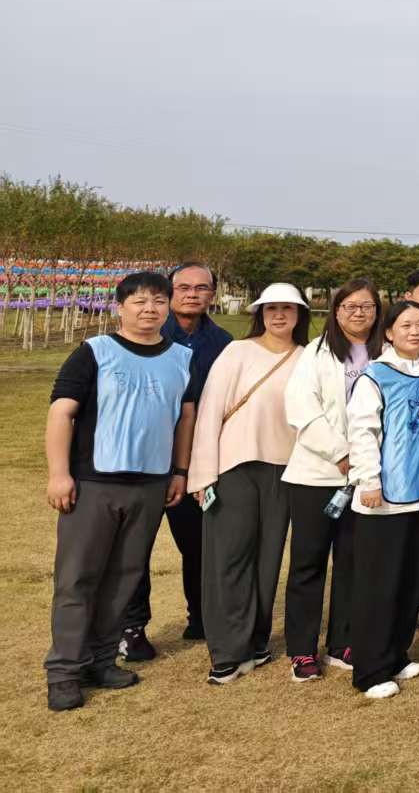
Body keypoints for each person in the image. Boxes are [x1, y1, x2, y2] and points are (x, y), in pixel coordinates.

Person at [43, 271, 194, 713]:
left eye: (158, 301)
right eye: (139, 301)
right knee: (78, 579)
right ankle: (65, 671)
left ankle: (103, 660)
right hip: (94, 482)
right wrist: (59, 474)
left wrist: (179, 471)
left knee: (125, 576)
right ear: (120, 307)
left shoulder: (182, 358)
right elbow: (61, 413)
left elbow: (185, 418)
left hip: (150, 484)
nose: (150, 309)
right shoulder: (94, 352)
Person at [187, 281, 307, 685]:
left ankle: (255, 641)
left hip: (286, 469)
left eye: (287, 308)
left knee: (268, 559)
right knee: (228, 558)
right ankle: (226, 650)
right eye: (271, 308)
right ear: (260, 314)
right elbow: (210, 412)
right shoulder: (237, 352)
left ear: (299, 315)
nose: (279, 315)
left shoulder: (308, 358)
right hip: (234, 466)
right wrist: (203, 473)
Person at [346, 300, 419, 700]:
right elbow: (362, 432)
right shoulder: (375, 376)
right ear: (389, 332)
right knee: (380, 585)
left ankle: (395, 655)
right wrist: (369, 480)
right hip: (384, 500)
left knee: (411, 582)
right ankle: (369, 669)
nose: (415, 331)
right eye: (406, 325)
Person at [120, 261, 232, 661]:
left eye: (201, 288)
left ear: (212, 294)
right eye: (183, 287)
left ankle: (202, 616)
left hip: (197, 460)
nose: (192, 294)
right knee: (135, 549)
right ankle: (132, 628)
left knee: (200, 545)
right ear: (169, 293)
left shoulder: (223, 343)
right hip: (144, 459)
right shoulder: (146, 334)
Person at [282, 277, 381, 682]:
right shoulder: (315, 353)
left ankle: (343, 641)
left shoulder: (386, 352)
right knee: (308, 563)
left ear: (377, 312)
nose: (358, 313)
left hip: (366, 477)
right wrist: (341, 453)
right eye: (349, 306)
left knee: (352, 563)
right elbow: (302, 408)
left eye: (366, 306)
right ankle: (302, 650)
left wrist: (365, 463)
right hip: (317, 474)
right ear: (336, 312)